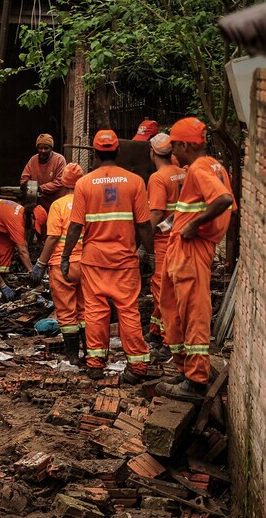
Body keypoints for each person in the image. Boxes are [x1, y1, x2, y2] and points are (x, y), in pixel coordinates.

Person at [61, 130, 155, 382]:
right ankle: (138, 367)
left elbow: (75, 226)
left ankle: (95, 364)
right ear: (118, 151)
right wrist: (152, 254)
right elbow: (144, 225)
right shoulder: (135, 182)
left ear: (94, 154)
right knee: (128, 310)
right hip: (124, 260)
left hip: (94, 260)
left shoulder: (83, 184)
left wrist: (65, 257)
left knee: (94, 311)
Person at [157, 118, 236, 401]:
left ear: (186, 144)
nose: (172, 152)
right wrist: (176, 224)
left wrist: (192, 226)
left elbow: (224, 200)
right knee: (171, 307)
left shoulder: (201, 168)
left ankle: (196, 379)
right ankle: (186, 369)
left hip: (192, 249)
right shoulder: (214, 166)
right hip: (186, 247)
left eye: (175, 145)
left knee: (192, 312)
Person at [34, 163, 86, 363]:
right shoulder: (89, 202)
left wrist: (40, 263)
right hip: (86, 263)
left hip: (62, 264)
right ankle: (92, 355)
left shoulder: (58, 205)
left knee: (66, 312)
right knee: (85, 310)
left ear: (63, 183)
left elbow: (53, 237)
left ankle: (72, 356)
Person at [146, 133, 186, 354]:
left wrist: (143, 243)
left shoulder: (158, 178)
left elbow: (157, 213)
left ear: (152, 152)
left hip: (164, 239)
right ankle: (155, 330)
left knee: (162, 290)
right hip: (179, 235)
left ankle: (167, 339)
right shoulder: (181, 173)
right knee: (165, 288)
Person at [20, 134, 67, 208]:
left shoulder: (59, 160)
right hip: (38, 202)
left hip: (55, 203)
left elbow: (59, 182)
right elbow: (24, 177)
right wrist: (27, 186)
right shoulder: (33, 160)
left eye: (46, 148)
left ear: (51, 149)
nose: (43, 151)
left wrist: (40, 188)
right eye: (40, 148)